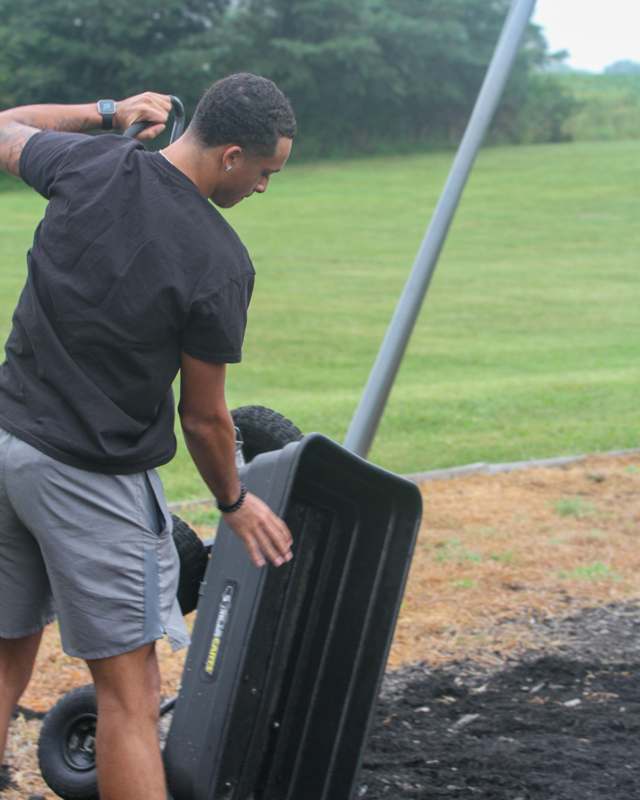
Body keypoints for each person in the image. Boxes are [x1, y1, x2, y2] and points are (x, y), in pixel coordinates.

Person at [0, 73, 296, 800]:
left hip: (7, 446)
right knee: (130, 697)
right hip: (88, 477)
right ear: (230, 156)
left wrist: (106, 113)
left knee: (5, 651)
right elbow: (204, 417)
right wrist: (234, 502)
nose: (264, 187)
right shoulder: (220, 263)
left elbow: (4, 124)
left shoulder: (90, 160)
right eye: (265, 172)